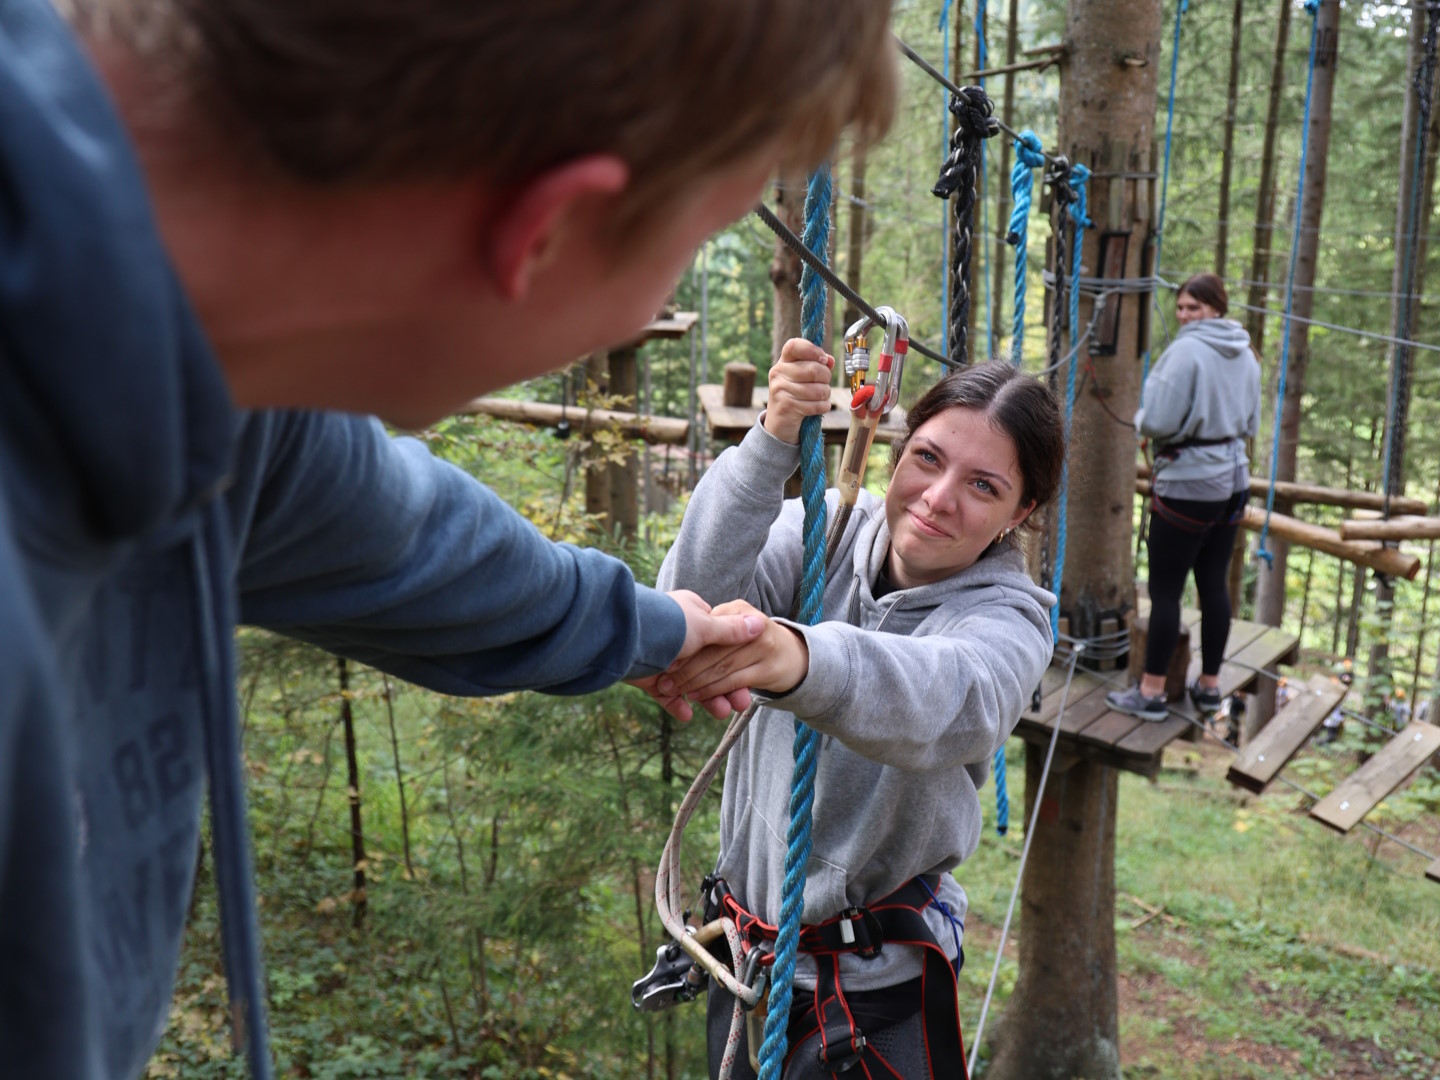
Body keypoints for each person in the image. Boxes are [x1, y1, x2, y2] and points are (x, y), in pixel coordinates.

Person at [0, 2, 900, 1077]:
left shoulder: (213, 377)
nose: (653, 304)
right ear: (547, 230)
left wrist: (650, 628)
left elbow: (411, 541)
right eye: (684, 248)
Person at [655, 343, 1063, 1078]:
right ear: (898, 452)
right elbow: (687, 600)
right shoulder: (823, 532)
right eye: (929, 459)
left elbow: (952, 697)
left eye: (983, 485)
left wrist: (801, 659)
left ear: (1021, 511)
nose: (939, 498)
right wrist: (770, 441)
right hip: (744, 960)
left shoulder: (1012, 619)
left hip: (871, 997)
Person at [1107, 273, 1261, 723]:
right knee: (1213, 582)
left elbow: (1155, 419)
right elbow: (1250, 420)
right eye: (1180, 308)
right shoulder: (1247, 354)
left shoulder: (1186, 352)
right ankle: (1210, 687)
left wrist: (1143, 421)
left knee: (1166, 589)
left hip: (1191, 484)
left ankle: (1152, 691)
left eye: (1193, 308)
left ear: (1216, 308)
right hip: (1234, 479)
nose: (1185, 316)